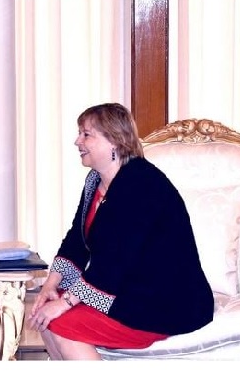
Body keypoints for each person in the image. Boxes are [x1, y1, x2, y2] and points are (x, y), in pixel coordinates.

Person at [27, 102, 214, 360]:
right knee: (43, 314)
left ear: (114, 141)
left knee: (63, 325)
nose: (77, 141)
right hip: (127, 288)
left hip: (163, 300)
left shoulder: (141, 184)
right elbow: (76, 241)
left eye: (86, 134)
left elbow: (115, 261)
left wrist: (64, 303)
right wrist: (51, 285)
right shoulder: (96, 180)